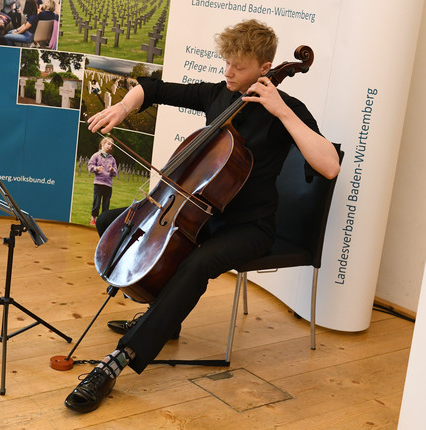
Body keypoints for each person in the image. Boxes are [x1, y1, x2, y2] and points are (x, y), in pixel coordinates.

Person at [64, 19, 341, 414]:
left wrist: (283, 112)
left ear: (265, 69)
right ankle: (164, 317)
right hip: (201, 214)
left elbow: (329, 166)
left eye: (238, 66)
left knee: (196, 264)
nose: (227, 72)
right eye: (226, 62)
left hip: (249, 227)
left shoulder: (288, 111)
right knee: (112, 222)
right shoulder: (220, 95)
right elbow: (154, 88)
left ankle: (118, 361)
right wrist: (124, 107)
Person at [87, 137, 117, 226]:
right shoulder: (96, 155)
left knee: (106, 204)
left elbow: (115, 173)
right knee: (96, 202)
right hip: (98, 184)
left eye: (112, 145)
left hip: (108, 185)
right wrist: (96, 168)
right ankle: (93, 219)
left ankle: (103, 221)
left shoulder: (112, 159)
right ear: (102, 144)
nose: (110, 146)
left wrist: (112, 171)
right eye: (108, 144)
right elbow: (90, 166)